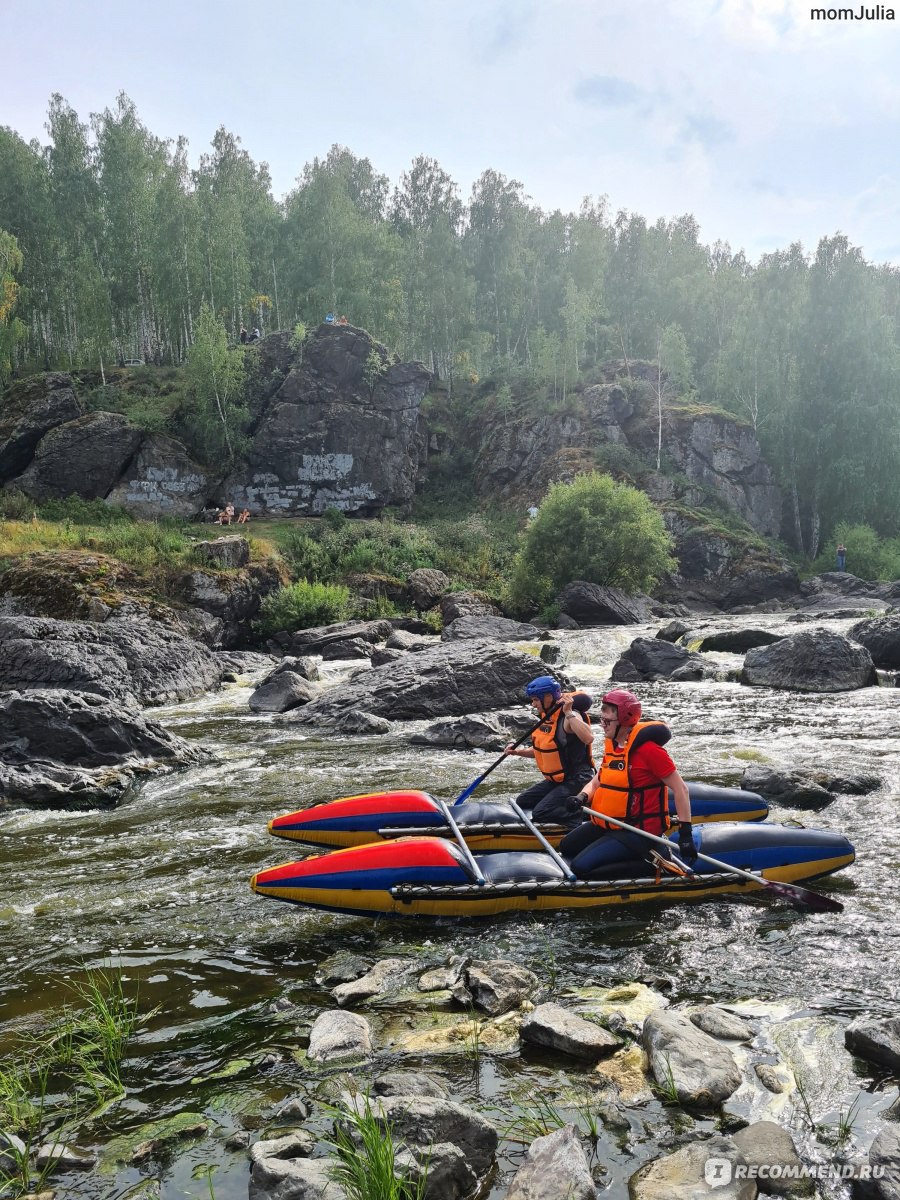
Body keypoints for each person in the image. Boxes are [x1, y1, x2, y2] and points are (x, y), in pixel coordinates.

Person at [559, 688, 695, 877]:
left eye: (606, 720)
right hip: (609, 823)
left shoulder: (650, 751)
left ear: (624, 717)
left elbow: (681, 790)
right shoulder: (613, 746)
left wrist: (685, 833)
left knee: (581, 867)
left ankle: (653, 863)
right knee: (566, 847)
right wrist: (582, 796)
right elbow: (599, 779)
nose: (602, 725)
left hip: (636, 831)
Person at [503, 676, 595, 827]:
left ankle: (587, 815)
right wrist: (517, 752)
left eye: (535, 700)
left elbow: (588, 738)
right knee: (522, 801)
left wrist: (569, 712)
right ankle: (560, 805)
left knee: (541, 812)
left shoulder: (570, 715)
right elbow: (544, 750)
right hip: (558, 779)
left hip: (577, 778)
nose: (533, 704)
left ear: (548, 697)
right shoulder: (548, 716)